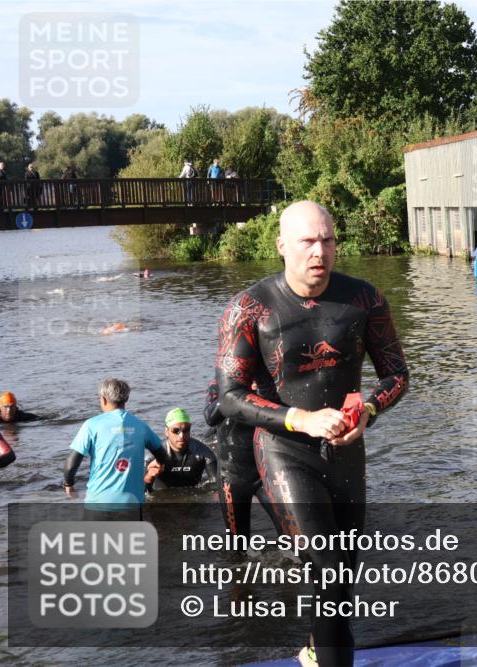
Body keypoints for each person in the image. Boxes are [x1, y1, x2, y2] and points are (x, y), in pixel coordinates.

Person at [215, 200, 409, 666]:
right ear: (282, 246)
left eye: (327, 239)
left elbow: (397, 375)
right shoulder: (250, 307)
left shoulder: (365, 300)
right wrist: (298, 419)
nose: (319, 251)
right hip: (284, 450)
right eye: (307, 241)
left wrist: (369, 408)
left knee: (342, 579)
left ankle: (314, 651)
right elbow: (229, 396)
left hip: (346, 450)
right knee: (324, 568)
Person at [63, 378, 168, 518]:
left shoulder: (91, 425)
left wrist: (68, 484)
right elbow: (161, 454)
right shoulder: (140, 426)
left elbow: (71, 464)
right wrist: (159, 464)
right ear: (127, 398)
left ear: (103, 399)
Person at [204, 378, 283, 542]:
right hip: (231, 475)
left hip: (266, 471)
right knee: (237, 543)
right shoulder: (219, 384)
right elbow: (210, 417)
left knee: (289, 532)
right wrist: (236, 392)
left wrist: (259, 393)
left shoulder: (269, 381)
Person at [143, 408, 217, 491]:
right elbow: (139, 492)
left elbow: (217, 486)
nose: (181, 435)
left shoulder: (204, 454)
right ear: (166, 432)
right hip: (164, 498)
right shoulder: (153, 457)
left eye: (186, 430)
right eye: (175, 430)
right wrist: (148, 477)